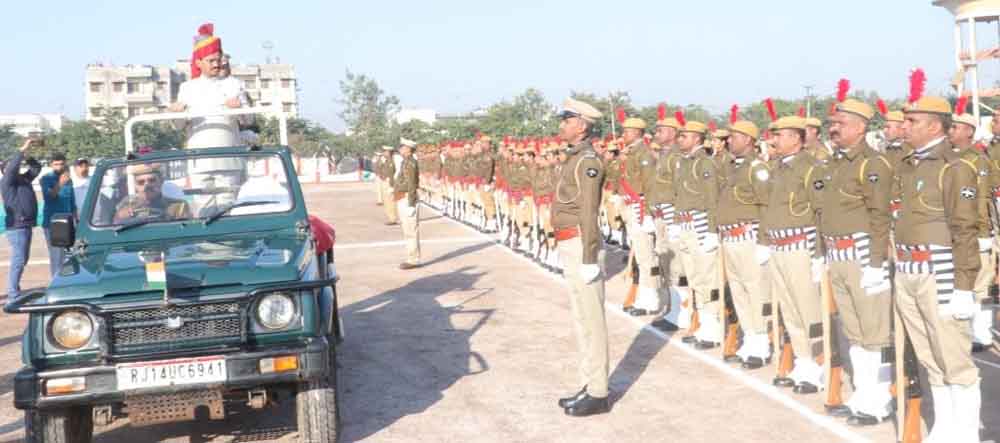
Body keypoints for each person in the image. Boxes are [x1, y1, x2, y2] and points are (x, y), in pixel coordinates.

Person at [894, 95, 980, 442]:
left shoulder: (954, 168)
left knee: (953, 355)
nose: (905, 126)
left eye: (912, 121)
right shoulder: (908, 165)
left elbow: (965, 229)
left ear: (933, 126)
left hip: (939, 269)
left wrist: (964, 286)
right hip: (907, 268)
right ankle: (946, 426)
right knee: (928, 354)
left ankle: (966, 433)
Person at [821, 99, 894, 425]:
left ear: (861, 127)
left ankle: (880, 400)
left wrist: (876, 263)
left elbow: (880, 216)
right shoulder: (835, 163)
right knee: (854, 331)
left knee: (874, 332)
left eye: (841, 123)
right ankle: (864, 393)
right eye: (833, 123)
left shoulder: (872, 164)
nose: (834, 128)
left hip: (863, 254)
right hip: (837, 254)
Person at [553, 97, 610, 417]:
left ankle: (599, 391)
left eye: (567, 120)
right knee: (581, 319)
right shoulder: (573, 158)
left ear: (582, 125)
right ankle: (589, 383)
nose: (562, 125)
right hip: (569, 242)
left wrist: (589, 257)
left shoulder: (587, 161)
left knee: (592, 320)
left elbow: (588, 211)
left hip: (580, 244)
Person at [762, 116, 826, 394]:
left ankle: (820, 363)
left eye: (780, 135)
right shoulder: (775, 168)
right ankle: (803, 360)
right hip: (778, 246)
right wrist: (764, 241)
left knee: (808, 308)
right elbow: (766, 208)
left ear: (796, 138)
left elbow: (821, 211)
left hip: (801, 246)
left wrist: (819, 253)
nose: (774, 140)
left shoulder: (811, 168)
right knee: (789, 308)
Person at [717, 120, 773, 368]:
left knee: (755, 290)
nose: (729, 140)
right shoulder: (731, 166)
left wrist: (763, 241)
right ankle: (750, 337)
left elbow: (767, 205)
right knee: (738, 290)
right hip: (730, 238)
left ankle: (761, 342)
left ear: (748, 140)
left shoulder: (757, 169)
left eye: (734, 136)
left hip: (748, 238)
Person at [947, 108, 995, 356]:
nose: (950, 131)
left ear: (969, 131)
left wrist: (984, 234)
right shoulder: (947, 158)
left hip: (975, 230)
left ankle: (982, 332)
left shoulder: (978, 160)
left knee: (980, 284)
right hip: (953, 230)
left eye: (955, 127)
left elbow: (982, 198)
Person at [168, 23, 245, 149]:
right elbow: (178, 126)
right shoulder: (187, 88)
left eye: (218, 60)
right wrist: (176, 112)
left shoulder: (233, 84)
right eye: (211, 61)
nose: (216, 65)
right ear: (198, 63)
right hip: (200, 156)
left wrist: (239, 108)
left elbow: (249, 120)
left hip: (231, 154)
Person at [2, 139, 41, 299]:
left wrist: (27, 156)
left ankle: (14, 290)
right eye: (9, 167)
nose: (15, 167)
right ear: (4, 170)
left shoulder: (24, 179)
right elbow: (12, 168)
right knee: (19, 260)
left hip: (25, 225)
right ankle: (13, 293)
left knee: (22, 259)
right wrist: (22, 149)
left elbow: (36, 168)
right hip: (17, 227)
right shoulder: (7, 182)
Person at [113, 164, 192, 223]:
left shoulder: (178, 206)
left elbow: (184, 231)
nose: (147, 185)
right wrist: (122, 216)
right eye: (141, 182)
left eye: (152, 180)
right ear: (135, 186)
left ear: (161, 182)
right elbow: (115, 230)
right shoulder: (126, 205)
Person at [40, 152, 76, 277]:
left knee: (69, 256)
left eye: (61, 164)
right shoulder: (46, 178)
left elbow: (72, 200)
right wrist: (60, 183)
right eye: (56, 164)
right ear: (51, 165)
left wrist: (76, 218)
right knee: (56, 256)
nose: (59, 167)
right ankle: (56, 282)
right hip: (53, 223)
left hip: (68, 222)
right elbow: (49, 197)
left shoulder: (68, 179)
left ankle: (67, 281)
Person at [395, 138, 421, 269]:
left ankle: (413, 259)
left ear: (409, 149)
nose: (400, 149)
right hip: (402, 197)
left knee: (411, 230)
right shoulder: (405, 162)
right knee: (407, 230)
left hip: (407, 198)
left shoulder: (410, 163)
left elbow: (411, 184)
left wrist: (411, 204)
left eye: (403, 147)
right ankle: (411, 257)